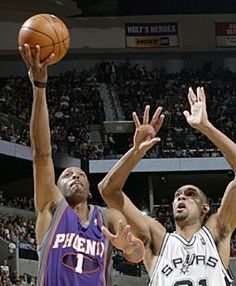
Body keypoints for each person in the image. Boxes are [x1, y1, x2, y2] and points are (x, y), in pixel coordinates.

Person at [19, 44, 144, 286]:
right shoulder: (51, 208)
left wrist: (128, 249)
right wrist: (39, 88)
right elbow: (42, 154)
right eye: (67, 175)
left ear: (89, 190)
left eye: (80, 175)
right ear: (56, 185)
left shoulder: (107, 217)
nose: (75, 177)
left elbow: (138, 254)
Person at [98, 87, 236, 285]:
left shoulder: (216, 231)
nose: (181, 197)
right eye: (178, 195)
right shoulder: (158, 239)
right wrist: (136, 151)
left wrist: (206, 127)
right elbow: (108, 190)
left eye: (190, 194)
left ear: (205, 207)